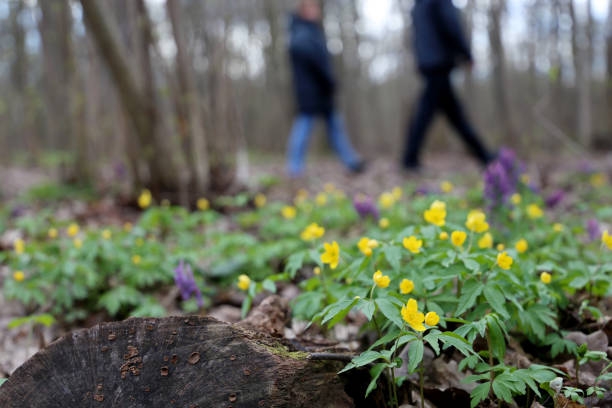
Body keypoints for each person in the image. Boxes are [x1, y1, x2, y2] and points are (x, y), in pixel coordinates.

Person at [403, 0, 494, 171]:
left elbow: (417, 36)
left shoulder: (418, 5)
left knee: (454, 115)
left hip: (427, 62)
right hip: (440, 61)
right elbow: (451, 24)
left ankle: (484, 155)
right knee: (427, 115)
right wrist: (466, 54)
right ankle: (409, 160)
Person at [286, 0, 364, 178]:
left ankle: (351, 161)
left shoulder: (310, 30)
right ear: (304, 10)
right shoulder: (301, 31)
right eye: (313, 7)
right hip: (311, 90)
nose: (317, 11)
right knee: (304, 126)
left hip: (321, 90)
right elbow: (313, 58)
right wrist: (327, 78)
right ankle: (294, 168)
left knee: (335, 127)